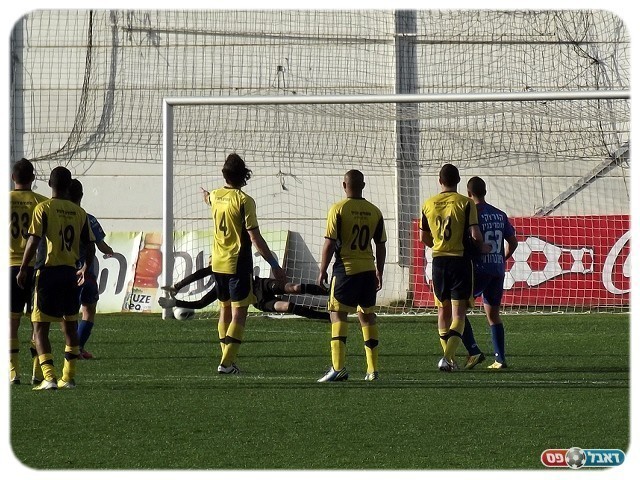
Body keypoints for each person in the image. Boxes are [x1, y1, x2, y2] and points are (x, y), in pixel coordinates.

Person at [202, 153, 287, 374]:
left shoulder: (215, 195)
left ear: (225, 175)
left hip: (217, 263)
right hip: (237, 263)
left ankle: (227, 360)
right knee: (239, 312)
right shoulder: (244, 201)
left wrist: (206, 196)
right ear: (244, 175)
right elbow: (255, 238)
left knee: (224, 309)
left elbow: (209, 198)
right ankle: (226, 363)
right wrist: (274, 264)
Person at [16, 166, 95, 390]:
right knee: (70, 327)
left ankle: (49, 377)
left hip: (47, 273)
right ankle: (68, 378)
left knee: (39, 326)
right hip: (70, 273)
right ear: (69, 186)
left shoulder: (43, 208)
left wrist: (23, 268)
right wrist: (85, 267)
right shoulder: (79, 212)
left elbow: (33, 240)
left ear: (50, 184)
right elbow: (90, 245)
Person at [316, 169, 386, 382]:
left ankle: (338, 368)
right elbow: (381, 244)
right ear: (363, 186)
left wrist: (322, 270)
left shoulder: (338, 209)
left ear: (344, 185)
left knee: (337, 315)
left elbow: (329, 243)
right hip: (368, 271)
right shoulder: (374, 211)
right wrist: (379, 270)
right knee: (367, 316)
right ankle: (372, 370)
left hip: (346, 270)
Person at [160, 265, 330, 351]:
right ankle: (328, 317)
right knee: (287, 306)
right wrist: (175, 302)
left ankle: (331, 292)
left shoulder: (230, 264)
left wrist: (177, 286)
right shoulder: (220, 286)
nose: (212, 263)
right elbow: (201, 302)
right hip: (257, 300)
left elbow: (200, 274)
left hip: (260, 285)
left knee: (293, 287)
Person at [420, 164, 485, 372]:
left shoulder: (428, 204)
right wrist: (482, 246)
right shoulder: (465, 203)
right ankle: (447, 358)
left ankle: (451, 361)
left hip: (438, 262)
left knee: (442, 312)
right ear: (458, 181)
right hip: (459, 261)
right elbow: (475, 235)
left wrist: (438, 246)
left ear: (440, 181)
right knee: (459, 315)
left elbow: (423, 237)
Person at [461, 176, 518, 369]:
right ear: (485, 191)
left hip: (479, 269)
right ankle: (500, 359)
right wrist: (502, 258)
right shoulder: (500, 214)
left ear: (468, 193)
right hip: (497, 269)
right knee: (493, 315)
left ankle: (473, 350)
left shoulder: (472, 214)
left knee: (457, 310)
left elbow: (471, 240)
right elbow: (513, 242)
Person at [9, 158, 48, 385]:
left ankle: (13, 372)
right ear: (33, 178)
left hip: (10, 267)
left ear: (13, 177)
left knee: (11, 322)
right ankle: (37, 371)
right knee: (37, 322)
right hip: (37, 268)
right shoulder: (41, 203)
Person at [68, 179, 116, 359]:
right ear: (81, 195)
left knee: (68, 312)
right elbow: (100, 246)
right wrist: (110, 251)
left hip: (64, 270)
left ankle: (72, 348)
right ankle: (78, 348)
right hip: (85, 271)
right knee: (88, 309)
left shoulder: (57, 217)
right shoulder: (88, 218)